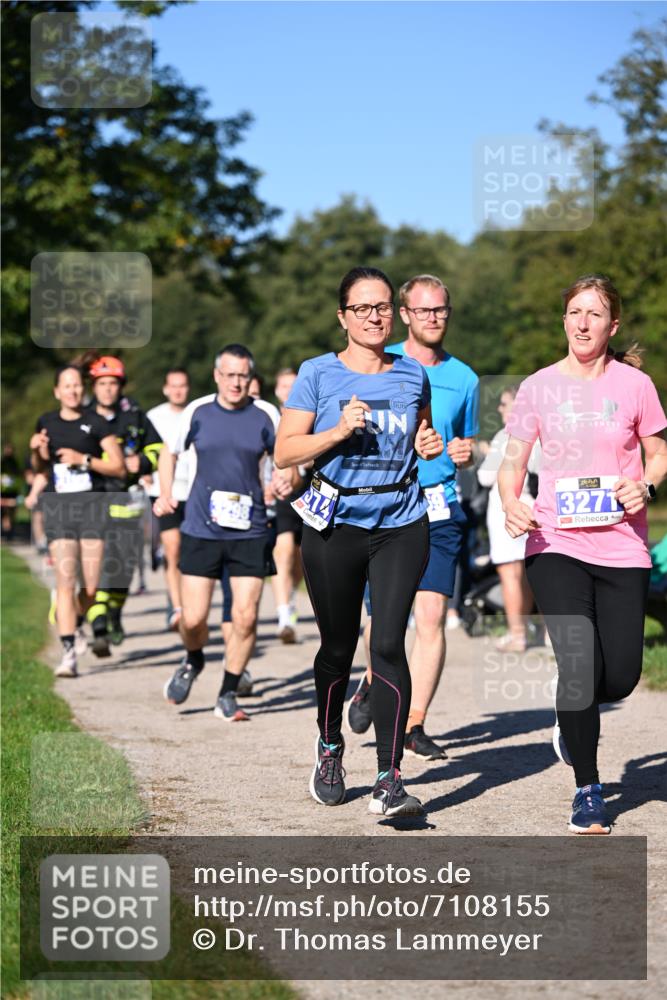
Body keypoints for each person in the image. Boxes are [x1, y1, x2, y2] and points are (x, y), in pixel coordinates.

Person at [499, 274, 667, 834]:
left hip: (622, 546)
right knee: (577, 667)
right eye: (574, 312)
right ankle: (589, 789)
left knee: (617, 677)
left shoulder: (634, 385)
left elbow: (658, 451)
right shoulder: (539, 387)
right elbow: (513, 461)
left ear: (612, 325)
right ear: (564, 319)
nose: (582, 323)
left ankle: (568, 716)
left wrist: (646, 485)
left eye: (594, 314)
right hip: (556, 544)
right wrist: (510, 500)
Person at [275, 266, 444, 817]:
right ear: (343, 316)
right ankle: (329, 746)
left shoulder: (411, 374)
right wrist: (338, 432)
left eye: (381, 308)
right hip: (335, 525)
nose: (374, 317)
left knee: (389, 643)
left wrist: (429, 442)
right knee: (338, 647)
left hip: (401, 519)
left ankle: (389, 780)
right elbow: (285, 453)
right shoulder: (317, 374)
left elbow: (421, 436)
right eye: (362, 308)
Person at [347, 274, 479, 763]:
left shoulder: (465, 378)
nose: (433, 318)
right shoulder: (383, 365)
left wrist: (464, 451)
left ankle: (413, 721)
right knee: (383, 621)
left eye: (441, 310)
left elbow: (463, 440)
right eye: (423, 311)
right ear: (405, 314)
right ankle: (369, 681)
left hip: (440, 506)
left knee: (430, 615)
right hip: (386, 507)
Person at [156, 345, 292, 722]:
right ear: (217, 376)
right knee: (194, 619)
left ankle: (228, 692)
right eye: (230, 375)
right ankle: (194, 658)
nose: (236, 382)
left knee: (245, 617)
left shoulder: (266, 414)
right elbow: (169, 453)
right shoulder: (197, 412)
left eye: (243, 376)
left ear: (251, 379)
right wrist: (166, 493)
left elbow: (287, 459)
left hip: (250, 530)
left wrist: (284, 479)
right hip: (201, 528)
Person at [31, 365, 124, 676]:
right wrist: (39, 451)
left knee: (92, 585)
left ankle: (78, 622)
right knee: (66, 582)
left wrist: (83, 459)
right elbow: (41, 466)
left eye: (76, 386)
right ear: (57, 391)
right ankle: (69, 652)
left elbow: (119, 467)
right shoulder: (46, 421)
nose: (72, 390)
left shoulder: (96, 422)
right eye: (66, 386)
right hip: (59, 507)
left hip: (93, 507)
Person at [84, 356, 163, 656]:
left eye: (113, 384)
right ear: (94, 386)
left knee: (123, 569)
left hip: (127, 503)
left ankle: (113, 613)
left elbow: (157, 449)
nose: (107, 390)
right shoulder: (83, 416)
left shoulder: (135, 416)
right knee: (96, 566)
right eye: (102, 384)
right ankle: (99, 619)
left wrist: (140, 461)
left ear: (121, 386)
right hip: (91, 502)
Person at [477, 386, 540, 651]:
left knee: (509, 574)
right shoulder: (538, 434)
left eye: (505, 404)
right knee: (527, 574)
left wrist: (486, 453)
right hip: (531, 505)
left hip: (505, 508)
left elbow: (486, 477)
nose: (501, 409)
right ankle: (533, 630)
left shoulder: (505, 436)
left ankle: (517, 635)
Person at [146, 368, 192, 631]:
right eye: (173, 386)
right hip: (165, 493)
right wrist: (143, 473)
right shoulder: (153, 417)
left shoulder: (196, 413)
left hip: (194, 491)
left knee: (188, 552)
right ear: (165, 388)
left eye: (182, 385)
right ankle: (177, 607)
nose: (178, 390)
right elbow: (143, 450)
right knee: (172, 547)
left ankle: (181, 599)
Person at [271, 367, 307, 643]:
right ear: (276, 390)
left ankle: (291, 596)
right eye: (284, 386)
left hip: (310, 493)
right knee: (282, 550)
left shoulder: (311, 417)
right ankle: (284, 615)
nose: (288, 390)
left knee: (301, 560)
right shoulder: (270, 417)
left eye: (293, 385)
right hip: (280, 493)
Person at [1, 443, 23, 538]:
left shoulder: (15, 462)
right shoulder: (2, 462)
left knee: (12, 510)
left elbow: (19, 474)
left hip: (13, 490)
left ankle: (10, 530)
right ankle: (5, 530)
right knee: (3, 511)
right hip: (3, 490)